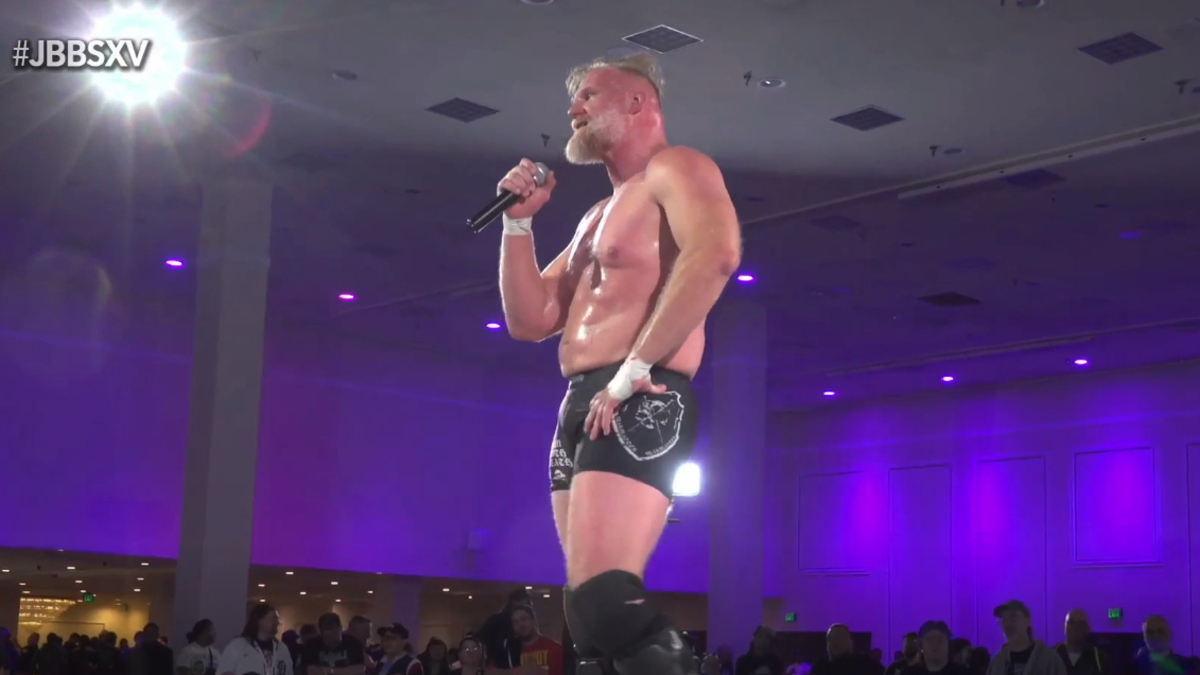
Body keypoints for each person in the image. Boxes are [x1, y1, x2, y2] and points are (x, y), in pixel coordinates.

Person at [495, 52, 741, 675]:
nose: (573, 109)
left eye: (589, 96)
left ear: (637, 102)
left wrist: (636, 366)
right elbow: (531, 319)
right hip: (582, 398)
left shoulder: (677, 168)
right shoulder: (596, 216)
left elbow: (716, 254)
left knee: (606, 600)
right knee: (587, 622)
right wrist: (518, 227)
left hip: (638, 389)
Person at [216, 604, 292, 675]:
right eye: (273, 618)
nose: (277, 622)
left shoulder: (282, 649)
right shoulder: (238, 646)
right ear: (260, 620)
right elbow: (223, 672)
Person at [301, 614, 366, 675]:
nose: (334, 637)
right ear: (321, 633)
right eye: (329, 635)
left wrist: (329, 671)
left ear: (340, 628)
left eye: (336, 633)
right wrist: (346, 671)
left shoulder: (353, 643)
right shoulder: (312, 645)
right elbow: (311, 671)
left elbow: (360, 669)